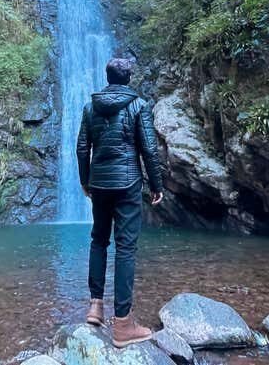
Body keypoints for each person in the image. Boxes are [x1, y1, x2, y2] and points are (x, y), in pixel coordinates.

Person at [76, 58, 165, 348]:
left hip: (100, 183)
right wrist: (156, 185)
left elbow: (82, 147)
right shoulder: (138, 105)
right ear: (128, 79)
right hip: (127, 184)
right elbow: (149, 149)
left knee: (99, 240)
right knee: (125, 248)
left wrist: (85, 181)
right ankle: (124, 324)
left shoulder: (91, 107)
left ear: (108, 77)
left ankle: (95, 307)